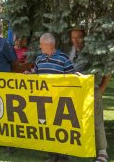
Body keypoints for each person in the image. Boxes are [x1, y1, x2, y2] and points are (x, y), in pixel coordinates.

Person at [69, 27, 111, 162]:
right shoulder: (72, 51)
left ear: (85, 37)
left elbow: (107, 70)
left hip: (93, 91)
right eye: (73, 38)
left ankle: (103, 153)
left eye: (78, 37)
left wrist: (101, 90)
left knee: (96, 121)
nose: (75, 41)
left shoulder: (93, 51)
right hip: (77, 93)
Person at [34, 33, 74, 162]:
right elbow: (36, 74)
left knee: (61, 128)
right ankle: (52, 155)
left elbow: (71, 80)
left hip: (60, 100)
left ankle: (63, 156)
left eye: (42, 44)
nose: (40, 46)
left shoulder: (64, 59)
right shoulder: (39, 58)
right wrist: (30, 74)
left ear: (50, 45)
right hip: (44, 100)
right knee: (47, 127)